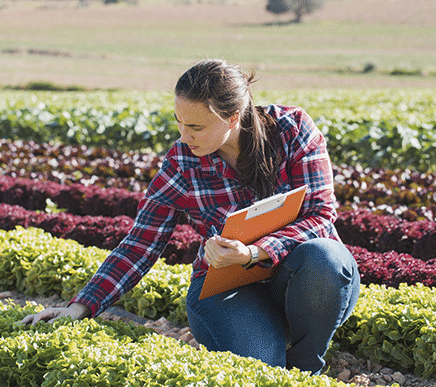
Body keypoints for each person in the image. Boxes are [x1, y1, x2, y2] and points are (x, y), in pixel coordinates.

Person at [21, 59, 360, 375]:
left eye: (196, 126)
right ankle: (267, 340)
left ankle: (305, 368)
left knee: (325, 258)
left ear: (233, 117)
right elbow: (140, 244)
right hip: (227, 288)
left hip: (304, 276)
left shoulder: (292, 131)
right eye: (179, 122)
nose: (184, 136)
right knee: (261, 369)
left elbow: (320, 215)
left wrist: (256, 252)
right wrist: (80, 306)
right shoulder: (182, 164)